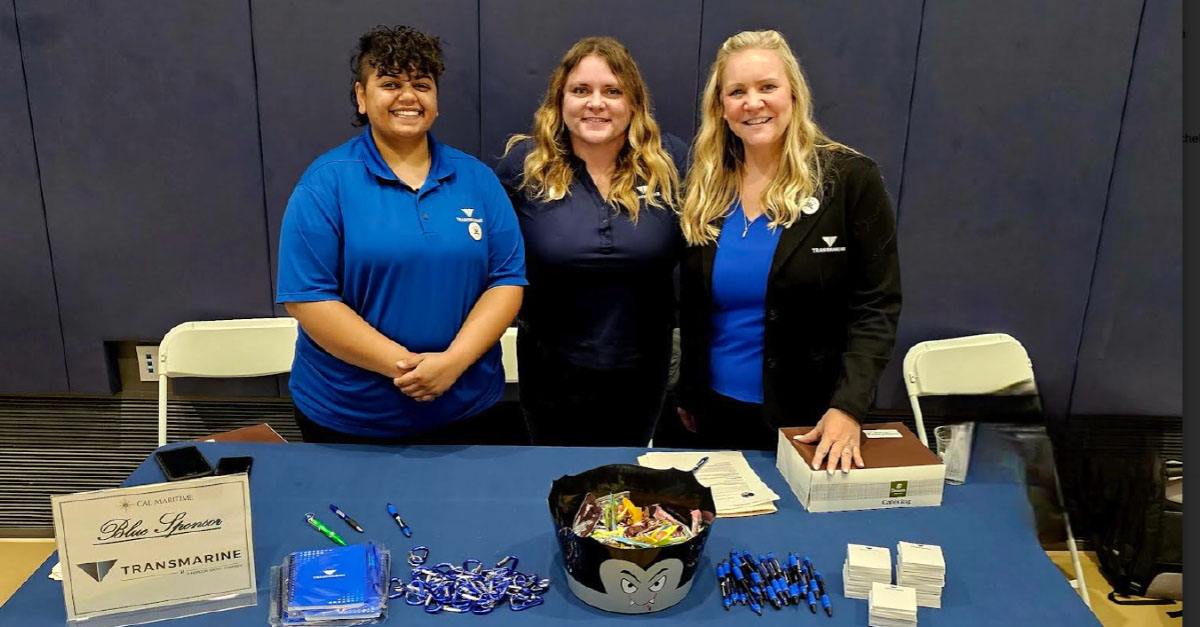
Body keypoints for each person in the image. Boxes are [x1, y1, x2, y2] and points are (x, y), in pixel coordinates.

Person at [276, 25, 527, 444]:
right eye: (390, 83)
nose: (408, 97)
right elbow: (308, 298)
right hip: (349, 415)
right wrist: (407, 369)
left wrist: (452, 364)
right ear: (361, 95)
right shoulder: (326, 183)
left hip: (466, 406)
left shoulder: (477, 180)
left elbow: (506, 281)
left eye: (421, 85)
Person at [676, 30, 901, 471]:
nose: (753, 103)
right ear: (721, 108)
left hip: (814, 421)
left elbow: (877, 305)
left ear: (793, 94)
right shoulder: (704, 186)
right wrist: (688, 390)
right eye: (737, 91)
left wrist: (849, 407)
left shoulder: (849, 180)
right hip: (713, 414)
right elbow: (693, 306)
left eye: (767, 87)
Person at [495, 37, 687, 446]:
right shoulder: (524, 168)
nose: (596, 103)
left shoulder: (671, 164)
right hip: (550, 376)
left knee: (625, 492)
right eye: (581, 90)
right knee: (558, 491)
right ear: (559, 101)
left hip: (644, 374)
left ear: (633, 103)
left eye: (612, 91)